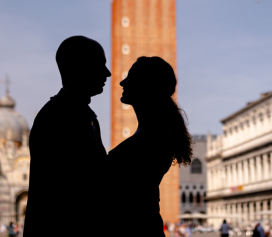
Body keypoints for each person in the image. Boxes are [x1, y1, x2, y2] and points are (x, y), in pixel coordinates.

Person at [23, 36, 111, 237]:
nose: (107, 73)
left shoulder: (83, 114)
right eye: (100, 64)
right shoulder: (57, 116)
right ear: (79, 67)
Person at [107, 56, 194, 237]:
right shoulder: (154, 131)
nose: (123, 82)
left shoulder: (156, 135)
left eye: (129, 77)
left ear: (146, 85)